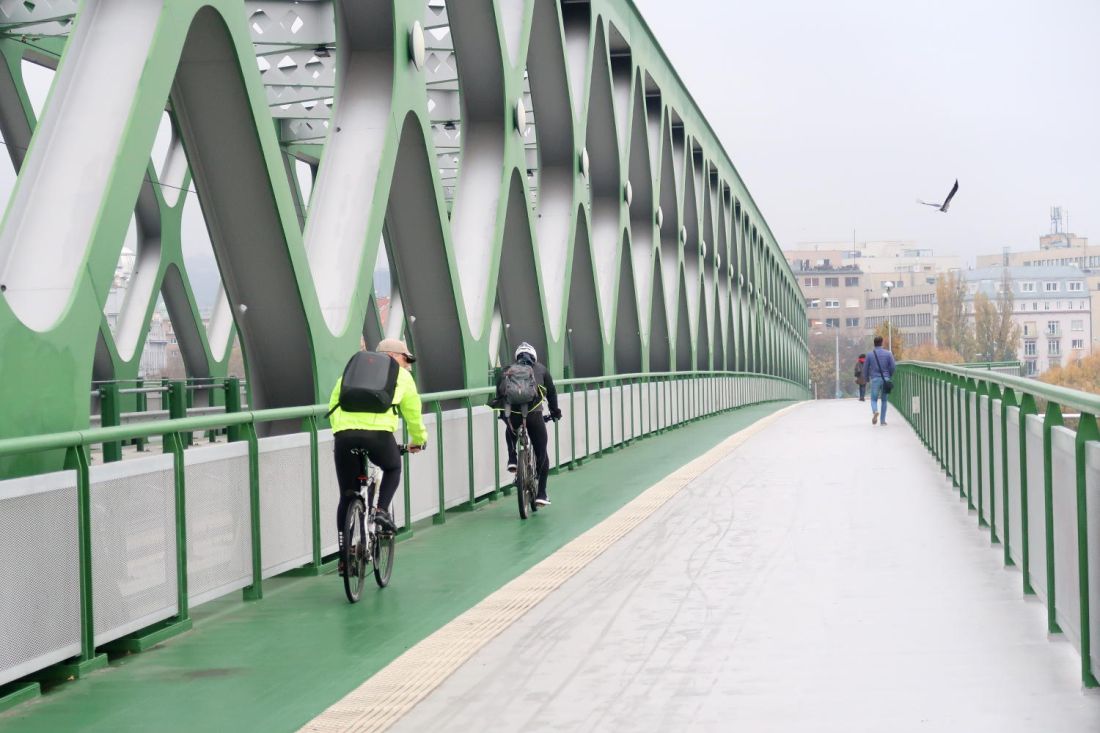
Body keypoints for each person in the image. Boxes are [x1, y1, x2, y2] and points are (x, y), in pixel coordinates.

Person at [328, 338, 426, 541]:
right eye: (405, 359)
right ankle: (381, 510)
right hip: (378, 436)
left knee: (347, 495)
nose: (408, 364)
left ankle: (345, 552)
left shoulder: (353, 371)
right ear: (392, 355)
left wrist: (341, 431)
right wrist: (418, 439)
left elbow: (334, 403)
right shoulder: (402, 376)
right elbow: (413, 414)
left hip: (345, 435)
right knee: (393, 468)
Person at [493, 342, 561, 506]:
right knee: (542, 452)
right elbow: (551, 394)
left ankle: (512, 459)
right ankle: (542, 494)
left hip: (514, 416)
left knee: (510, 429)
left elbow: (499, 394)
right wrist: (555, 412)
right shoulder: (542, 370)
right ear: (534, 357)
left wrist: (503, 415)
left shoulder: (507, 371)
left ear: (517, 357)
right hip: (534, 416)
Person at [862, 336, 896, 426]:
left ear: (874, 344)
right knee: (884, 400)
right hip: (886, 379)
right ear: (882, 343)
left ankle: (875, 411)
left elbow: (865, 368)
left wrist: (866, 378)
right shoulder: (888, 354)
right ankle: (883, 421)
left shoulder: (869, 355)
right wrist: (889, 375)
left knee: (873, 399)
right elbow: (893, 366)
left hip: (875, 379)